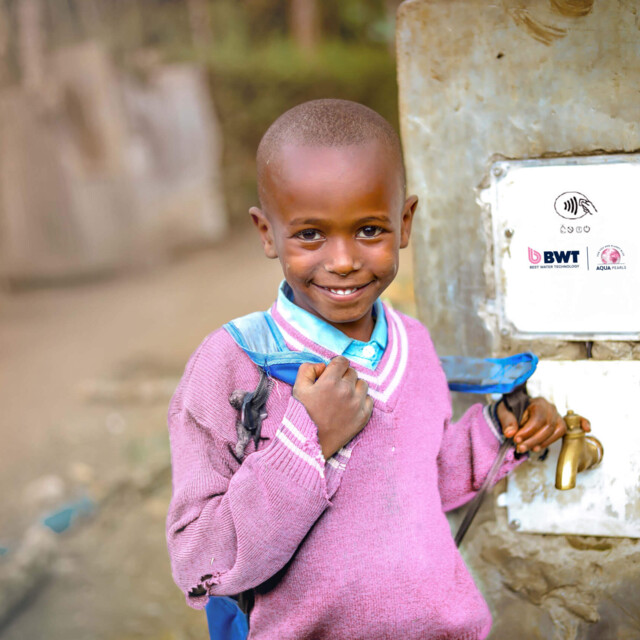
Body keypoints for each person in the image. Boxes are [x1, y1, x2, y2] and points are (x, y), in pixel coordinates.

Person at [166, 99, 587, 640]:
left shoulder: (412, 343)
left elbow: (415, 481)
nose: (342, 260)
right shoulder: (234, 364)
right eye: (310, 234)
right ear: (266, 232)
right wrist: (307, 442)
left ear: (404, 222)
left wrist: (502, 430)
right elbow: (199, 562)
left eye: (369, 230)